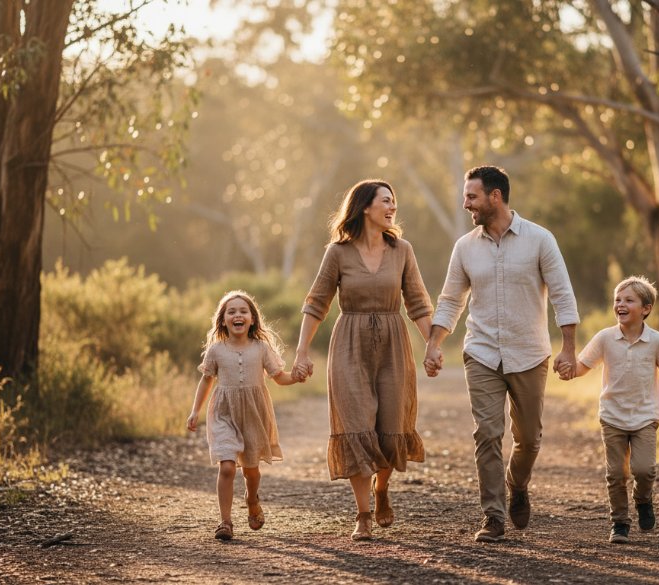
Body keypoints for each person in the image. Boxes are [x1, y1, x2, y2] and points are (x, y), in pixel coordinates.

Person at [424, 165, 579, 543]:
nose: (466, 204)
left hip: (529, 353)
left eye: (472, 197)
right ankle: (493, 516)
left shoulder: (541, 240)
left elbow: (562, 293)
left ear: (495, 197)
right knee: (488, 433)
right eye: (466, 197)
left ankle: (518, 484)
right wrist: (433, 343)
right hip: (481, 353)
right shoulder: (464, 247)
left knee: (529, 439)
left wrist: (569, 349)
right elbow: (450, 300)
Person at [293, 179, 434, 541]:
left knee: (390, 424)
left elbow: (417, 302)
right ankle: (363, 514)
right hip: (348, 345)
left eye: (394, 202)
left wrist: (432, 345)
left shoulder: (402, 249)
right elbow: (316, 302)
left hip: (393, 345)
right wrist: (301, 352)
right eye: (386, 201)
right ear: (365, 207)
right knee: (356, 425)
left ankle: (382, 488)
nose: (392, 208)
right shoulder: (337, 252)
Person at [567, 275, 659, 544]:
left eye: (629, 300)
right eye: (617, 299)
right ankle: (619, 523)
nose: (620, 304)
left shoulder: (656, 341)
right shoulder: (605, 338)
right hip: (612, 416)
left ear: (646, 308)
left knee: (644, 469)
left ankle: (643, 500)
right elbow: (583, 365)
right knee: (616, 472)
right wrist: (569, 370)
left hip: (645, 416)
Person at [187, 290, 303, 541]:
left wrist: (297, 376)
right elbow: (206, 380)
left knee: (251, 471)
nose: (237, 315)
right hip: (223, 413)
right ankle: (225, 522)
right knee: (227, 466)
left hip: (253, 413)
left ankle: (252, 499)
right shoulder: (216, 350)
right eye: (231, 311)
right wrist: (195, 411)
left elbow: (279, 377)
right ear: (223, 320)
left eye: (243, 311)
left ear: (252, 319)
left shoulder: (261, 348)